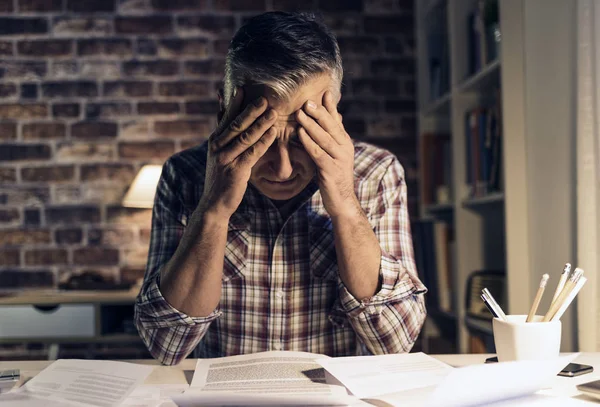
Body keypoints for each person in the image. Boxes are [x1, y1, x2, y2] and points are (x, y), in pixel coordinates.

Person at [135, 11, 427, 365]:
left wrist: (346, 206)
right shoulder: (184, 175)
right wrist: (213, 209)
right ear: (225, 112)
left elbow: (396, 342)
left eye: (301, 139)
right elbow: (166, 346)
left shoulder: (378, 173)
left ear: (332, 114)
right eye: (261, 140)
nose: (283, 169)